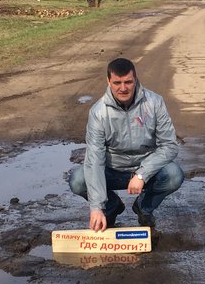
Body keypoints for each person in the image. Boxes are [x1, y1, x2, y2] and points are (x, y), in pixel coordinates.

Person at [69, 57, 184, 232]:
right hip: (112, 170)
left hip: (145, 168)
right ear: (108, 81)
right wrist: (96, 207)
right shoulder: (98, 113)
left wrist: (142, 174)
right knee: (78, 180)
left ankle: (144, 208)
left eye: (128, 82)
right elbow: (94, 160)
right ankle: (112, 206)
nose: (123, 88)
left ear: (135, 79)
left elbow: (169, 146)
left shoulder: (154, 103)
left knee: (174, 175)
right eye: (117, 82)